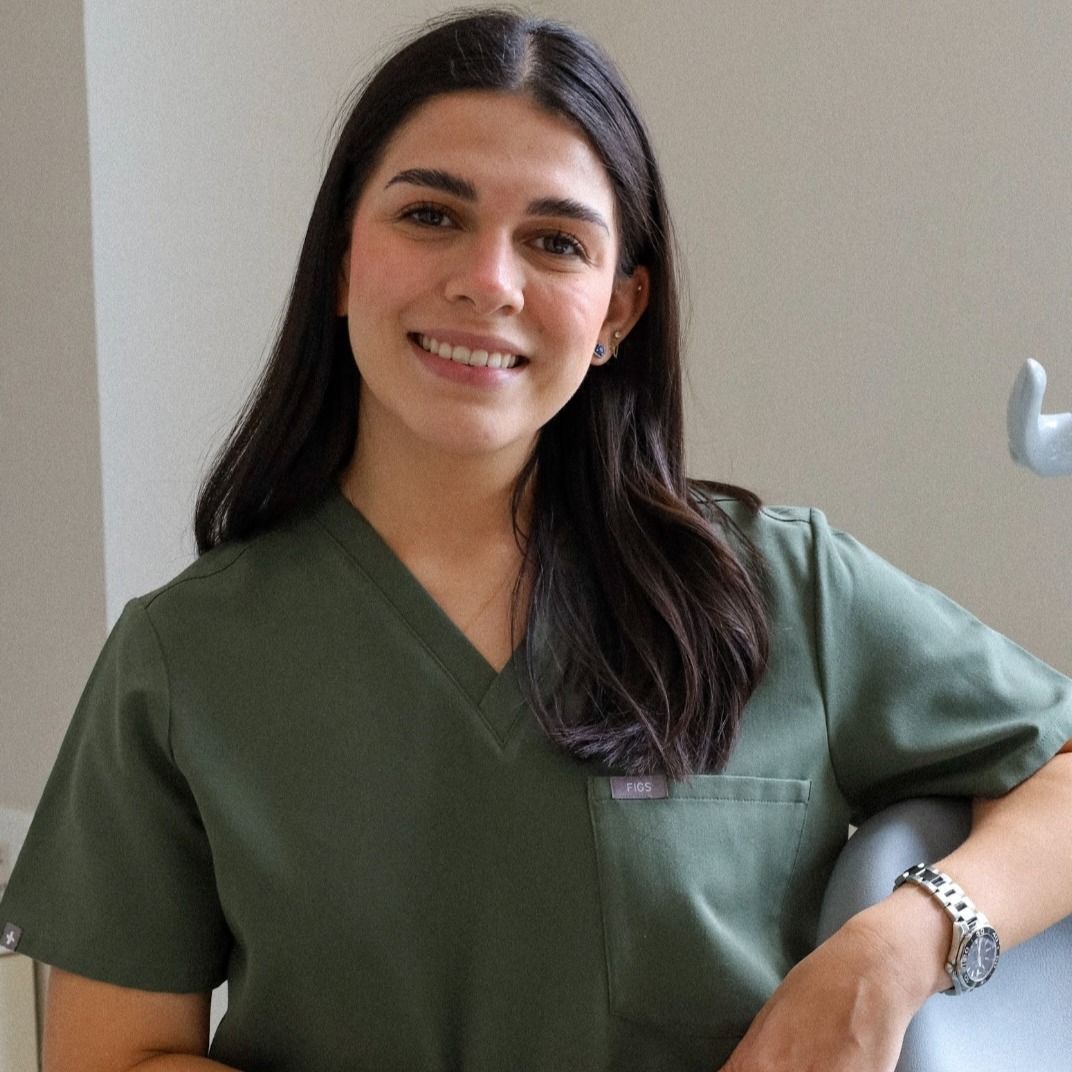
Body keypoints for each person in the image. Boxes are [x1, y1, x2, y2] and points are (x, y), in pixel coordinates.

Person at [2, 9, 1071, 1072]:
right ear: (339, 260)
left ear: (618, 311)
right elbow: (110, 1059)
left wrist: (902, 944)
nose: (489, 281)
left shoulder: (781, 589)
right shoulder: (185, 661)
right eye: (430, 215)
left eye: (556, 242)